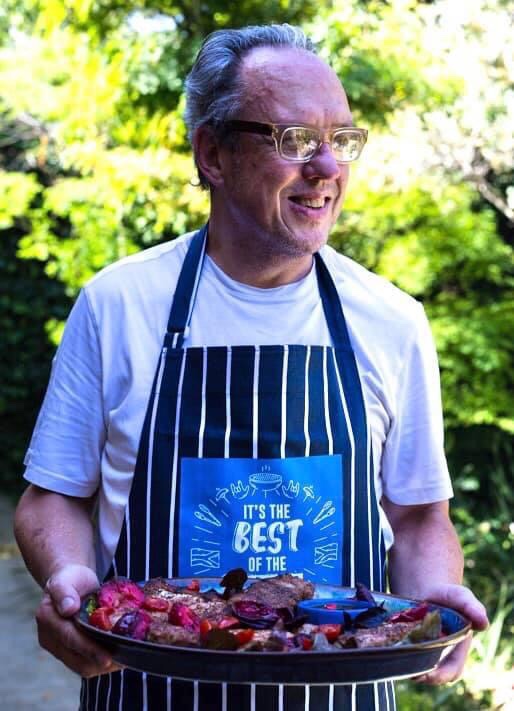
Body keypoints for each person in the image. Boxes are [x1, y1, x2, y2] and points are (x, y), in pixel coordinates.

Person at [14, 23, 488, 711]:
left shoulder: (392, 319)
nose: (327, 166)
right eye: (294, 139)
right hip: (148, 694)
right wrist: (69, 578)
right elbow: (53, 495)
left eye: (341, 139)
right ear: (213, 153)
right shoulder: (119, 303)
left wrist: (433, 598)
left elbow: (417, 517)